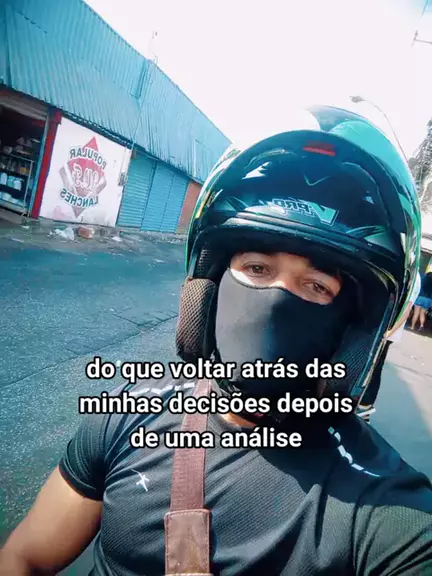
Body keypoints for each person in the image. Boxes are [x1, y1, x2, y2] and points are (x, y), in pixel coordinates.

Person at [1, 105, 432, 576]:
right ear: (208, 289)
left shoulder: (385, 508)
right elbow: (24, 557)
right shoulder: (130, 416)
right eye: (256, 269)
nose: (276, 303)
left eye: (315, 286)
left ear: (356, 331)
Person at [356, 270, 422, 422]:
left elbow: (407, 308)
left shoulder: (414, 277)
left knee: (374, 367)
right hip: (378, 327)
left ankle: (366, 406)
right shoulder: (405, 269)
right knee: (367, 363)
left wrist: (389, 332)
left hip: (386, 331)